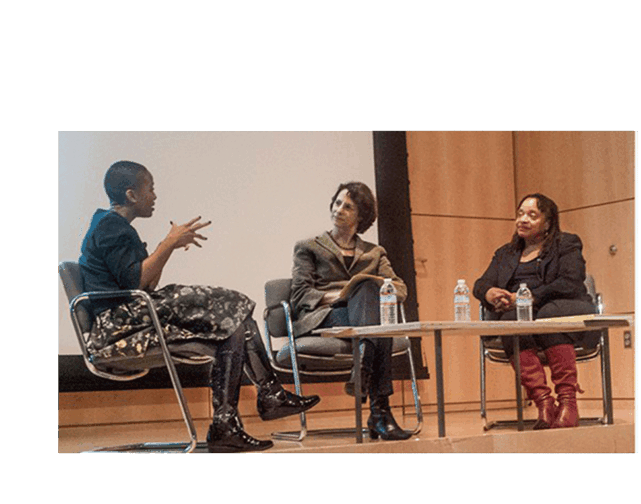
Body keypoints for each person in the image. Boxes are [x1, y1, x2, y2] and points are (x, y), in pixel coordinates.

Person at [78, 161, 320, 453]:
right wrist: (167, 243)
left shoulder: (114, 226)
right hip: (119, 326)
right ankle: (259, 402)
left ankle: (237, 418)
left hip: (136, 316)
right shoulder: (110, 227)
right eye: (150, 189)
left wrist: (169, 248)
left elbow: (145, 286)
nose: (154, 196)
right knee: (231, 303)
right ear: (131, 195)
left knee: (235, 325)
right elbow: (138, 283)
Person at [289, 182, 412, 441]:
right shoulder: (309, 247)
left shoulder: (374, 253)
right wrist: (344, 295)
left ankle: (364, 368)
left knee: (368, 291)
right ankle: (380, 411)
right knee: (373, 310)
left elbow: (399, 289)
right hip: (325, 315)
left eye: (348, 206)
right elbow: (300, 295)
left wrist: (365, 289)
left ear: (362, 216)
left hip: (360, 321)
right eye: (337, 203)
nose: (339, 210)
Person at [473, 193, 598, 429]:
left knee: (549, 316)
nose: (523, 219)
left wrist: (526, 296)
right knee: (510, 321)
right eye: (520, 214)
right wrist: (489, 293)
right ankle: (543, 401)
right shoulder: (505, 253)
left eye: (532, 215)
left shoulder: (567, 244)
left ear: (548, 222)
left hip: (566, 308)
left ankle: (568, 402)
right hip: (524, 315)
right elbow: (480, 284)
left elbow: (570, 282)